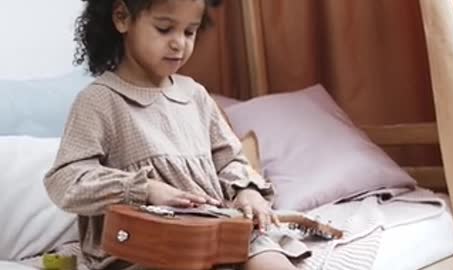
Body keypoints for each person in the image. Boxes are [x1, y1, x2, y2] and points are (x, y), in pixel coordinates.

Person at [44, 0, 310, 269]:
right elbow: (65, 181)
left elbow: (230, 160)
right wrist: (144, 188)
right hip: (146, 246)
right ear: (122, 17)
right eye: (164, 29)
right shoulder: (99, 101)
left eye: (189, 32)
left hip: (221, 234)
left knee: (271, 262)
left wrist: (248, 190)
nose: (179, 44)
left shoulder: (195, 95)